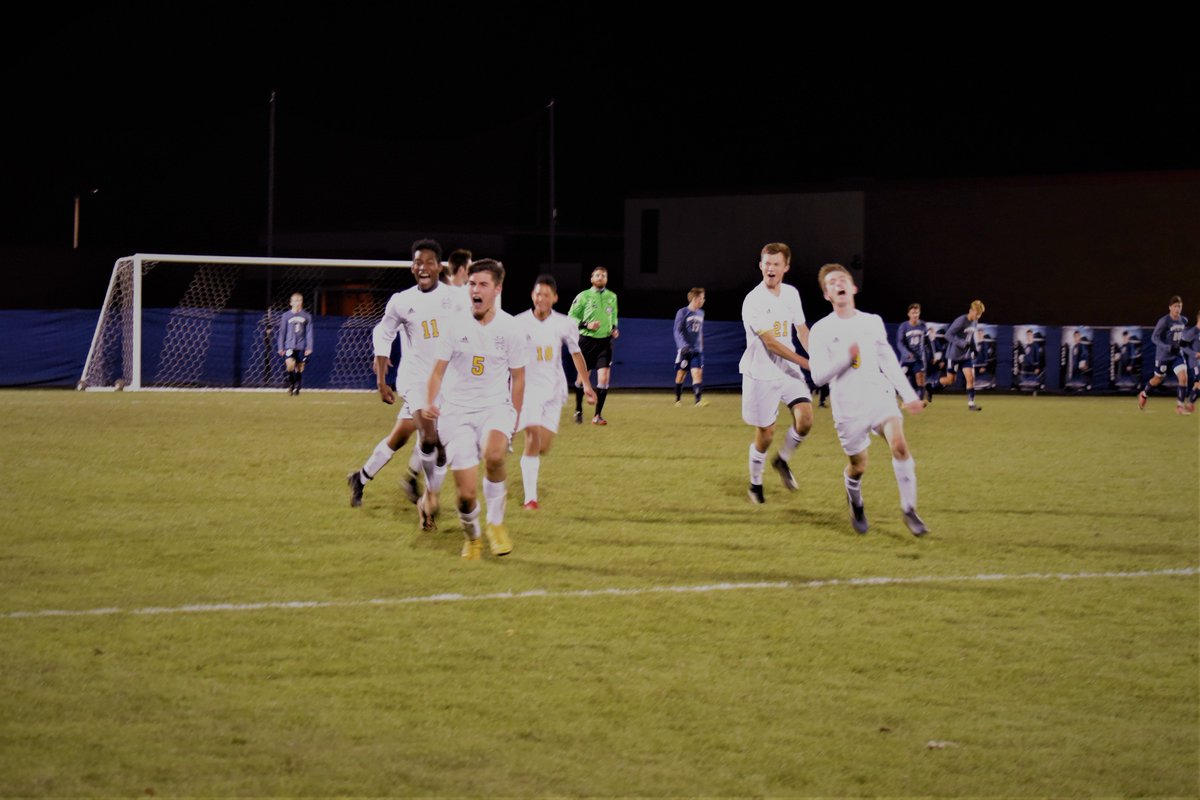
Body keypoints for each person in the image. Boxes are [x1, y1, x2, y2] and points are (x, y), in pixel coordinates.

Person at [346, 239, 467, 520]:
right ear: (412, 267)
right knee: (429, 439)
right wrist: (381, 379)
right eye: (417, 262)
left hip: (446, 383)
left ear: (439, 267)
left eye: (428, 263)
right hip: (415, 380)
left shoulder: (456, 298)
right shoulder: (402, 300)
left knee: (399, 438)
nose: (422, 267)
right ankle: (428, 498)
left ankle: (360, 478)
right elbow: (383, 333)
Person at [808, 264, 927, 536]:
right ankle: (856, 500)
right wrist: (845, 358)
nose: (838, 283)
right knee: (858, 466)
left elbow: (887, 359)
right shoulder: (821, 330)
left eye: (842, 279)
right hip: (848, 408)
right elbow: (818, 377)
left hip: (879, 396)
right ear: (827, 294)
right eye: (832, 282)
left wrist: (909, 396)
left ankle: (909, 510)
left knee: (899, 445)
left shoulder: (871, 321)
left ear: (852, 288)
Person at [426, 259, 528, 560]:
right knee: (465, 494)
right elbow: (436, 372)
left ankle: (496, 525)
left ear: (497, 289)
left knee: (494, 456)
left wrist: (514, 420)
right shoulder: (455, 325)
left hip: (495, 408)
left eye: (483, 284)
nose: (475, 289)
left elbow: (519, 377)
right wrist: (431, 400)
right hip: (456, 412)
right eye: (472, 284)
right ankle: (473, 537)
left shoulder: (511, 328)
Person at [739, 242, 813, 504]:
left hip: (787, 369)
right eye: (766, 263)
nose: (770, 268)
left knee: (805, 419)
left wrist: (815, 355)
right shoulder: (753, 300)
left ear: (786, 267)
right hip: (762, 372)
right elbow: (771, 343)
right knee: (766, 434)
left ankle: (782, 460)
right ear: (760, 265)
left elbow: (801, 330)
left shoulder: (792, 294)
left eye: (776, 264)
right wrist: (806, 364)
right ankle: (755, 484)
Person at [515, 275, 597, 510]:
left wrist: (587, 386)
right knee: (532, 436)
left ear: (555, 298)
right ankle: (530, 498)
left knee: (543, 446)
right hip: (529, 390)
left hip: (553, 389)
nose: (541, 298)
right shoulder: (518, 322)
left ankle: (528, 463)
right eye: (538, 294)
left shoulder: (565, 323)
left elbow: (576, 353)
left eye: (546, 295)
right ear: (533, 295)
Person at [568, 266, 619, 425]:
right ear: (591, 279)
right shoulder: (583, 296)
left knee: (604, 378)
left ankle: (597, 415)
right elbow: (571, 317)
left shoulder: (612, 296)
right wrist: (586, 325)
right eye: (597, 275)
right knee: (582, 379)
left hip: (605, 343)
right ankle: (578, 409)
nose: (600, 277)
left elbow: (614, 317)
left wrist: (614, 329)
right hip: (587, 341)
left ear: (606, 279)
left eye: (603, 275)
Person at [1138, 296, 1190, 413]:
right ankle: (1144, 394)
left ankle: (1180, 406)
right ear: (1170, 308)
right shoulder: (1164, 321)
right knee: (1157, 379)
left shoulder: (1184, 320)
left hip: (1177, 355)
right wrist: (1167, 347)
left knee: (1183, 377)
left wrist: (1183, 343)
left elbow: (1180, 337)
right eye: (1175, 306)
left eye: (1179, 306)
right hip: (1164, 356)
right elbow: (1154, 337)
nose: (1178, 309)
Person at [938, 300, 986, 410]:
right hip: (954, 355)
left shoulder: (975, 322)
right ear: (971, 310)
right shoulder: (961, 320)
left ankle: (971, 404)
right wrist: (962, 343)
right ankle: (931, 387)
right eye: (977, 313)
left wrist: (974, 349)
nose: (978, 316)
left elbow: (971, 336)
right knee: (950, 380)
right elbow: (948, 335)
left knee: (971, 378)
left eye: (980, 314)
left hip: (966, 356)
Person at [673, 288, 706, 406]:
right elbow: (677, 330)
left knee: (697, 373)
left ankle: (698, 401)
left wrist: (701, 346)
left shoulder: (701, 313)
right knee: (681, 375)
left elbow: (700, 332)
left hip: (697, 350)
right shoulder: (682, 312)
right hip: (685, 350)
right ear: (695, 298)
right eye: (702, 298)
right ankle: (677, 399)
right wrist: (682, 346)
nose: (703, 300)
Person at [277, 292, 313, 396]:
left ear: (302, 302)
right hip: (289, 345)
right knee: (290, 365)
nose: (297, 303)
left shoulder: (307, 316)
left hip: (301, 346)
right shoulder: (286, 316)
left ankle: (298, 386)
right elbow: (282, 332)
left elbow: (309, 332)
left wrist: (309, 347)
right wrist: (280, 347)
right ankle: (291, 384)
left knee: (299, 368)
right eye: (295, 301)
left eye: (300, 301)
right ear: (291, 303)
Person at [895, 303, 929, 403]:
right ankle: (903, 400)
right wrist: (906, 353)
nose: (915, 315)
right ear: (908, 314)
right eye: (913, 313)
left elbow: (928, 341)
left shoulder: (923, 325)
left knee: (920, 379)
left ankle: (920, 402)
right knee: (903, 381)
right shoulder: (904, 326)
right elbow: (899, 342)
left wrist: (933, 354)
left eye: (917, 312)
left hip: (919, 359)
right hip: (907, 359)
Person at [1180, 313, 1200, 413]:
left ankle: (1189, 404)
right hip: (1195, 362)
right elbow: (1183, 346)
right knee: (1199, 384)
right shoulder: (1193, 332)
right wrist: (1194, 354)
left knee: (1197, 384)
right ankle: (1189, 403)